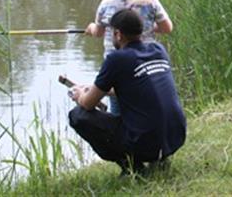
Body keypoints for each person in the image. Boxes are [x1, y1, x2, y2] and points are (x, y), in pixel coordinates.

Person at [68, 9, 186, 175]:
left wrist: (80, 94)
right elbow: (137, 87)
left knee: (78, 116)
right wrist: (100, 91)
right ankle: (160, 159)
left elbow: (87, 104)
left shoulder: (116, 59)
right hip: (175, 137)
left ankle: (132, 168)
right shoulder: (158, 50)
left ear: (118, 34)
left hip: (147, 144)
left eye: (111, 32)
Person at [85, 0, 173, 114]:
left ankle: (118, 125)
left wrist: (91, 28)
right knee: (142, 102)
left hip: (118, 64)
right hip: (146, 63)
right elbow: (167, 27)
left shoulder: (106, 4)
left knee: (117, 104)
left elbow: (98, 32)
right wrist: (149, 27)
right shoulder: (150, 0)